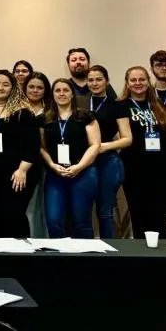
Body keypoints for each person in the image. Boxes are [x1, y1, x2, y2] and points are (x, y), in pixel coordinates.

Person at [117, 66, 166, 239]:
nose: (138, 83)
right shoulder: (121, 106)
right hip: (134, 169)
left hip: (161, 169)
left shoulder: (158, 105)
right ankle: (144, 254)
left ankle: (162, 253)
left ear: (148, 82)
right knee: (139, 212)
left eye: (142, 79)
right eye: (133, 80)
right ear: (127, 84)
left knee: (161, 212)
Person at [0, 70, 40, 238]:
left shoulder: (22, 111)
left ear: (13, 88)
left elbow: (32, 146)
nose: (0, 87)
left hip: (16, 171)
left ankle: (18, 253)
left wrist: (22, 170)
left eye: (6, 84)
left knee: (12, 213)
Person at [40, 79, 101, 238]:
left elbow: (95, 145)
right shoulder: (44, 119)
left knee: (81, 221)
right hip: (55, 174)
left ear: (72, 94)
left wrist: (79, 166)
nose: (61, 94)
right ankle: (60, 260)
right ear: (52, 95)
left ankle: (86, 260)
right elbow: (41, 147)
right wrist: (52, 165)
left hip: (83, 172)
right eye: (57, 90)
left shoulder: (86, 116)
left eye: (66, 90)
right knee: (54, 221)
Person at [86, 65, 132, 239]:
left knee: (105, 211)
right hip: (83, 161)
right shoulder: (80, 102)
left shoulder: (117, 105)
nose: (95, 83)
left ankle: (111, 251)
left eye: (99, 79)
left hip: (107, 161)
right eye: (91, 80)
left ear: (107, 81)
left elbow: (127, 138)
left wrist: (102, 147)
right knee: (82, 211)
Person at [23, 72, 53, 237]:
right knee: (29, 207)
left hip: (48, 164)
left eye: (40, 87)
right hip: (24, 165)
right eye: (31, 87)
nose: (35, 90)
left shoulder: (51, 111)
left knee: (46, 206)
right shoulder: (17, 109)